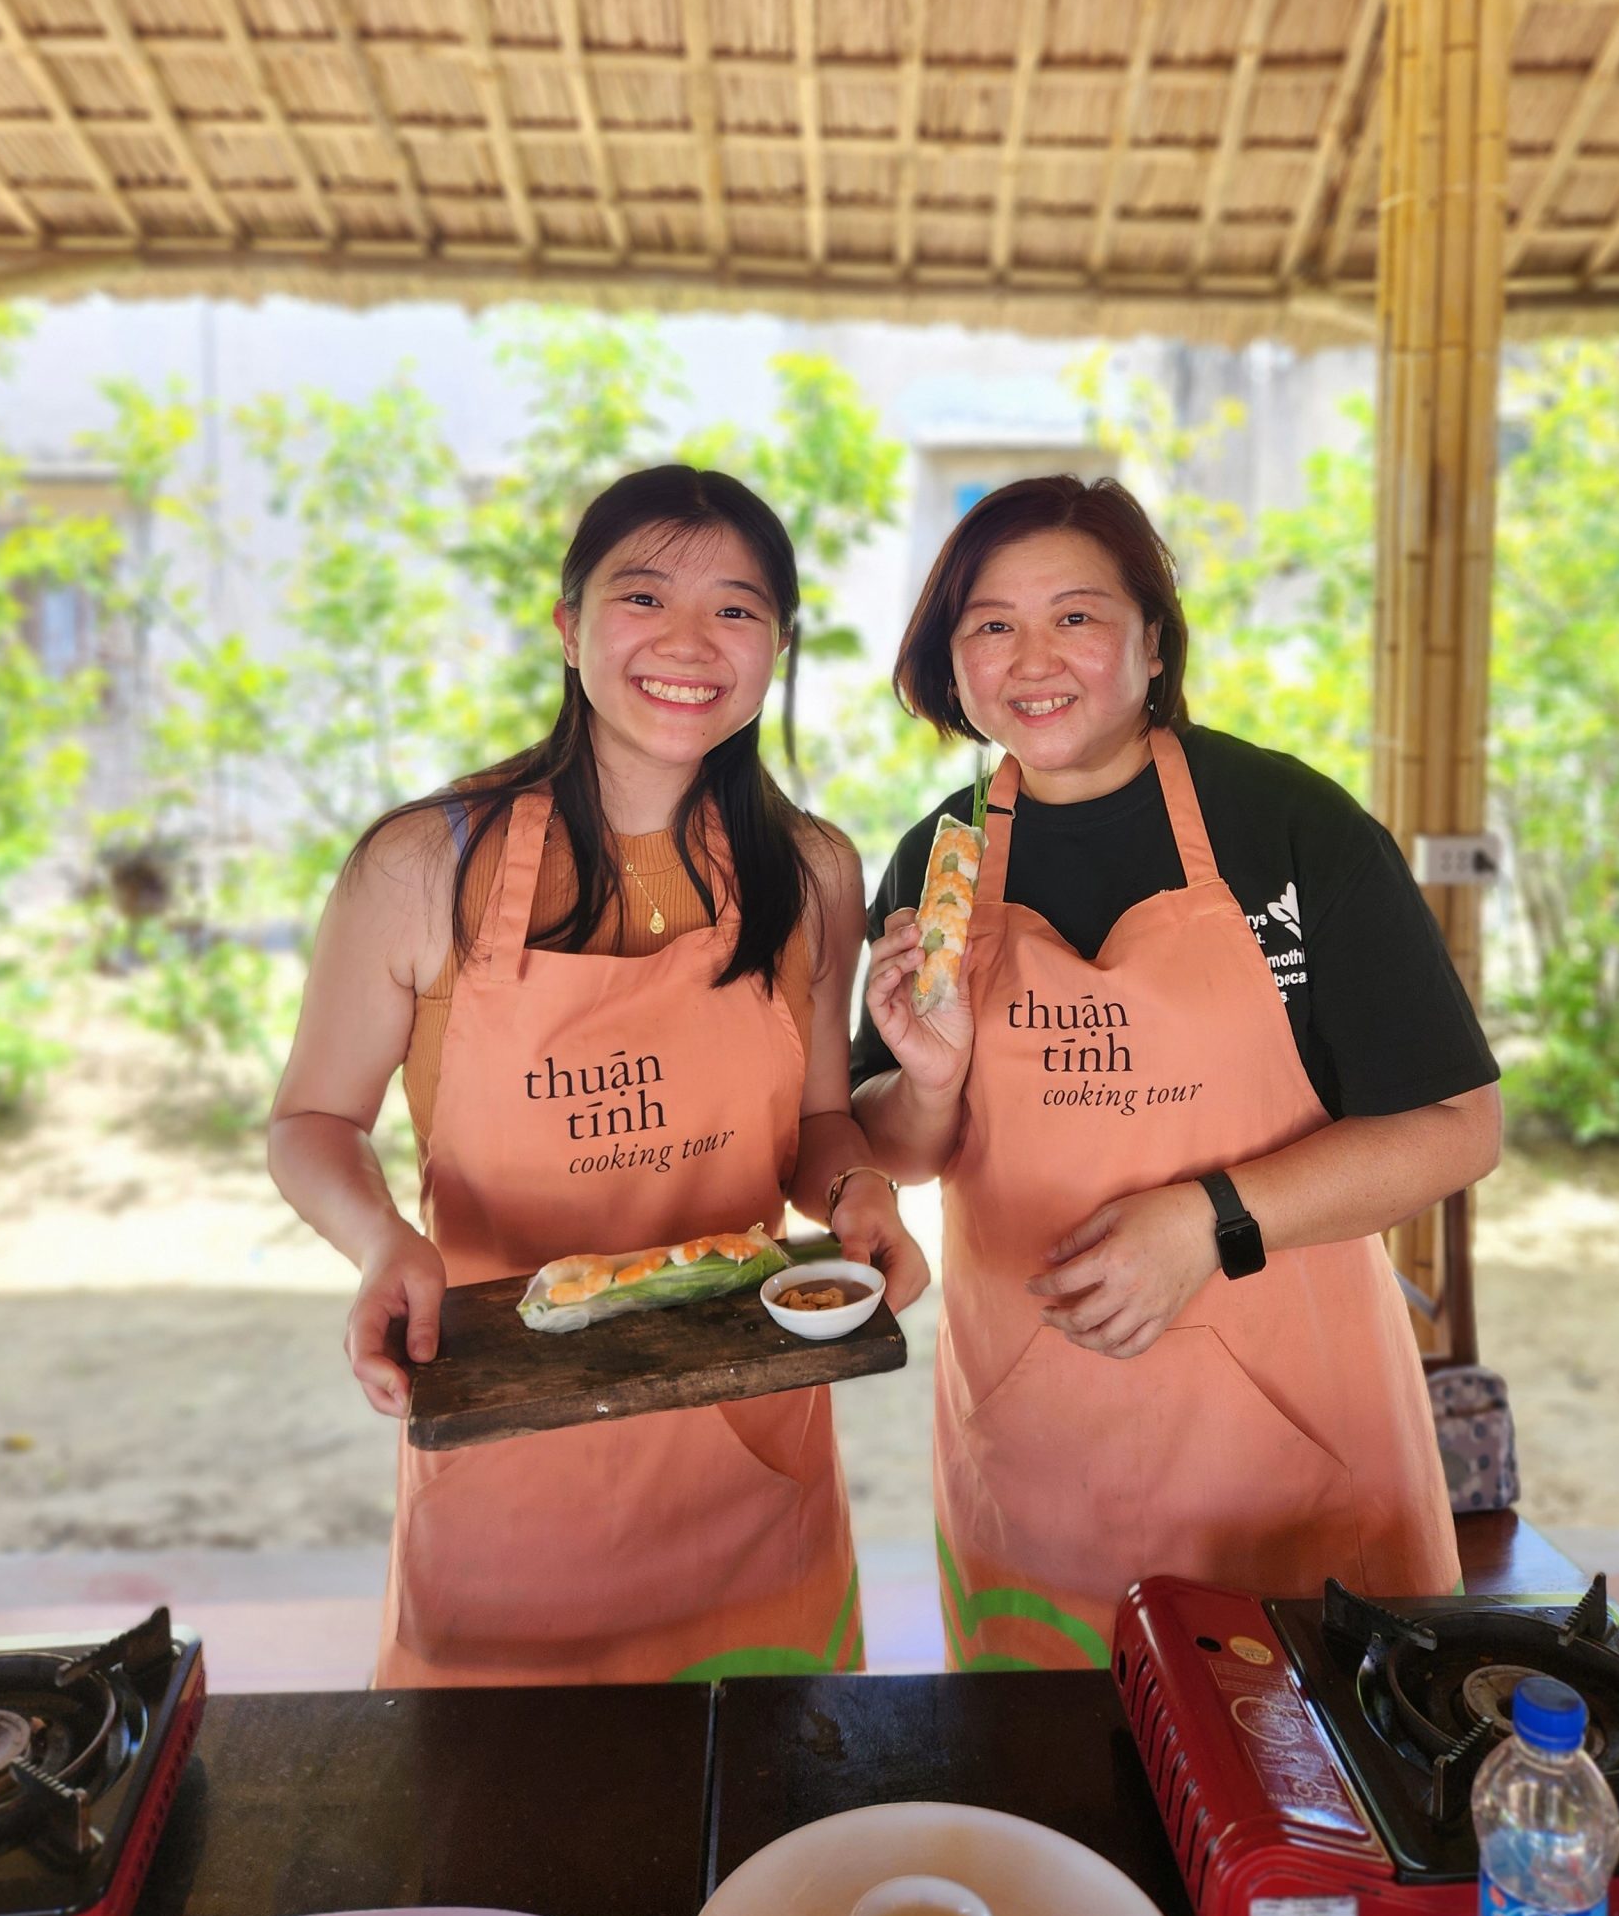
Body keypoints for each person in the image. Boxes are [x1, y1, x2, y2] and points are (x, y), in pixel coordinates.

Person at [270, 463, 927, 1685]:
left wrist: (858, 1198)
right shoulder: (424, 866)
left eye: (737, 609)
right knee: (500, 1840)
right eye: (644, 596)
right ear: (569, 628)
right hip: (508, 1460)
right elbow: (311, 1120)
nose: (691, 642)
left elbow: (823, 1124)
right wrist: (377, 1242)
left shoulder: (813, 871)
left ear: (778, 647)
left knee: (768, 1839)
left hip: (749, 1461)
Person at [853, 475, 1499, 1671]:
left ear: (1153, 641)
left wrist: (1211, 1220)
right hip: (1036, 1436)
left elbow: (1457, 1125)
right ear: (953, 661)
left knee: (1308, 1809)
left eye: (1077, 616)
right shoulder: (937, 857)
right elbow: (892, 1145)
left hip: (1290, 1446)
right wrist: (929, 1079)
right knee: (1056, 1800)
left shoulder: (1289, 827)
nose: (1031, 656)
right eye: (990, 623)